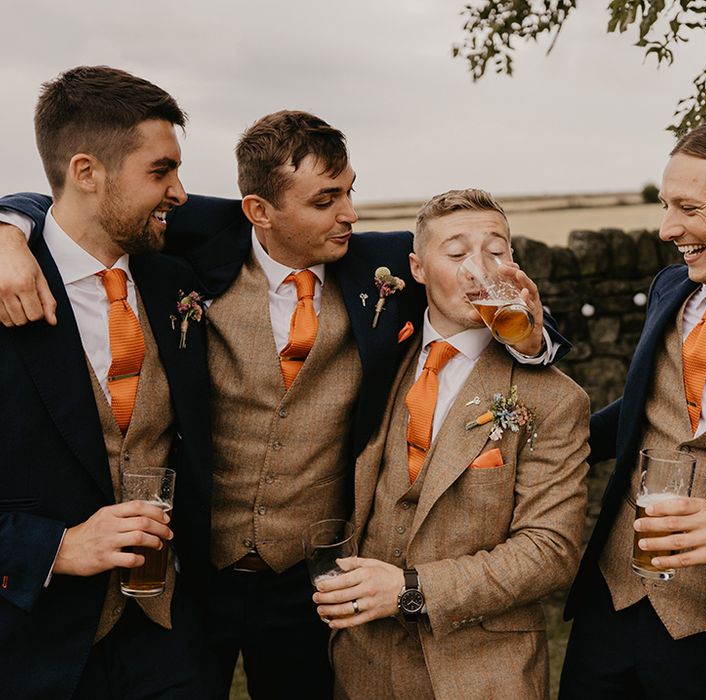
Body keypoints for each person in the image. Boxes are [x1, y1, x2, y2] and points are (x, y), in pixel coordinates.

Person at [0, 111, 570, 698]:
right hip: (196, 574)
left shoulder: (388, 266)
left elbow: (486, 286)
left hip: (310, 581)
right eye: (325, 199)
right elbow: (76, 202)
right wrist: (8, 228)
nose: (348, 212)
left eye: (350, 190)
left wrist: (531, 339)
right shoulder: (193, 246)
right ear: (259, 211)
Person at [312, 189, 590, 699]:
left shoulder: (555, 397)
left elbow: (551, 550)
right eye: (457, 253)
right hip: (362, 666)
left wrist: (411, 590)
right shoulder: (375, 354)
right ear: (417, 268)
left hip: (483, 673)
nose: (477, 269)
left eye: (496, 251)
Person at [0, 66, 213, 698]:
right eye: (160, 171)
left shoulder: (174, 274)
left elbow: (272, 216)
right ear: (87, 172)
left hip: (168, 640)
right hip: (34, 649)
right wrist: (54, 548)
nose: (179, 192)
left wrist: (10, 218)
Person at [559, 108, 706, 699]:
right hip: (611, 603)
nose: (666, 228)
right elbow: (645, 408)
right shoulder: (671, 288)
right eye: (666, 205)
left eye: (690, 209)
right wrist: (543, 438)